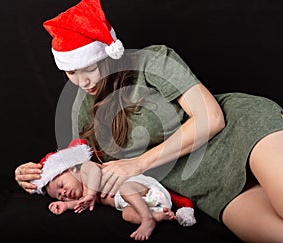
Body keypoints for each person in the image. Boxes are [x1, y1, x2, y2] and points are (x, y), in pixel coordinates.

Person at [15, 0, 283, 242]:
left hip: (240, 131)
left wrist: (137, 164)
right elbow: (77, 166)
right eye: (72, 72)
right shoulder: (80, 107)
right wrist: (34, 176)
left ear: (108, 54)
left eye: (90, 68)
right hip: (206, 185)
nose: (83, 82)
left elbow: (211, 118)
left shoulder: (151, 61)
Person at [30, 139, 176, 241]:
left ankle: (147, 219)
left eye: (61, 186)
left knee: (126, 189)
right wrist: (65, 205)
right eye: (60, 196)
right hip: (139, 204)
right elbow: (81, 204)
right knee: (127, 215)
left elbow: (94, 171)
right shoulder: (84, 197)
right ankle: (157, 216)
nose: (63, 193)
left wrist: (91, 194)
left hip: (143, 188)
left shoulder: (85, 169)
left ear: (72, 169)